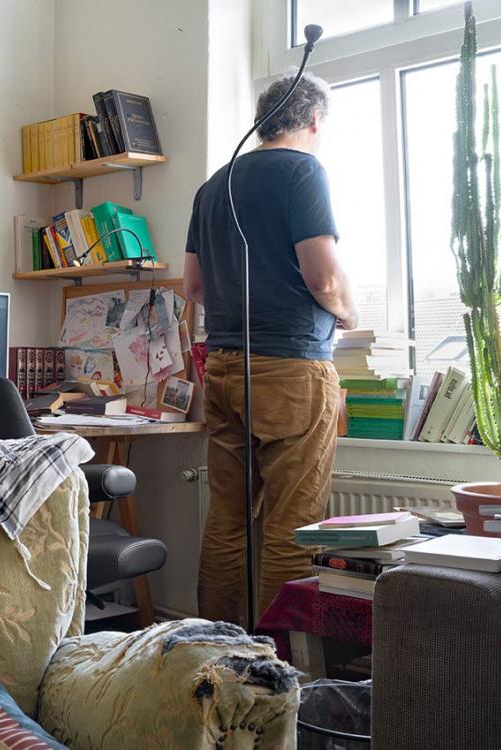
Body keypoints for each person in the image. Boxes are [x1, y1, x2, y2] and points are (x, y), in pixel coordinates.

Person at [182, 73, 358, 629]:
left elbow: (195, 288)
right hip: (291, 371)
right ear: (313, 120)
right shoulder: (303, 170)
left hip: (227, 367)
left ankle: (214, 652)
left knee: (228, 521)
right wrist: (350, 313)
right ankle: (281, 669)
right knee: (292, 523)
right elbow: (323, 279)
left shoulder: (213, 185)